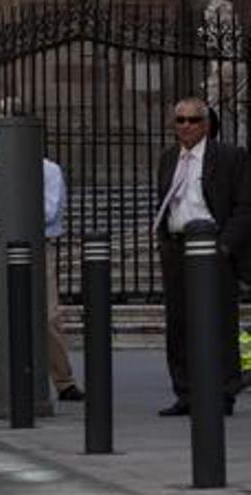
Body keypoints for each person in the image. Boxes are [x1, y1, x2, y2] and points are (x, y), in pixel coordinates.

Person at [154, 97, 251, 417]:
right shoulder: (169, 159)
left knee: (219, 321)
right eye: (179, 120)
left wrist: (225, 246)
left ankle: (224, 391)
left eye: (193, 120)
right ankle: (186, 392)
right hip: (178, 247)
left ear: (206, 124)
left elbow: (244, 206)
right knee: (179, 323)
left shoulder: (229, 157)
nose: (185, 126)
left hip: (213, 247)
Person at [43, 158, 85, 402]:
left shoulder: (49, 170)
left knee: (48, 317)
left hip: (40, 244)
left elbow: (49, 212)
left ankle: (64, 381)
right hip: (5, 244)